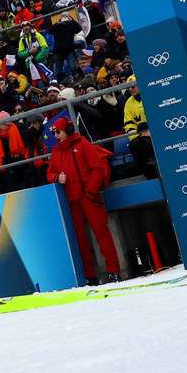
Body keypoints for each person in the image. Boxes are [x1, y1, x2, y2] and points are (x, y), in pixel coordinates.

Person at [46, 117, 121, 285]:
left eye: (58, 132)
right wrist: (57, 177)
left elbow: (98, 168)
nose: (56, 136)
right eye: (54, 133)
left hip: (89, 198)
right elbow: (49, 174)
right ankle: (90, 276)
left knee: (102, 234)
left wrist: (90, 192)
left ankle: (114, 271)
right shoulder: (57, 152)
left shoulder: (83, 145)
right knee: (80, 240)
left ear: (68, 130)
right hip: (72, 202)